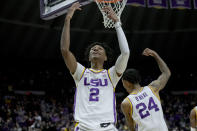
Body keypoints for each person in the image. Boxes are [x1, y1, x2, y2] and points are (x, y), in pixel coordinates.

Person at [60, 2, 130, 131]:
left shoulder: (111, 75)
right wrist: (67, 19)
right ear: (88, 57)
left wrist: (117, 23)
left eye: (99, 49)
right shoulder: (80, 73)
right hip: (84, 127)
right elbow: (65, 50)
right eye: (93, 49)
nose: (95, 49)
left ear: (105, 57)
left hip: (107, 127)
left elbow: (125, 53)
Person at [121, 48, 171, 131]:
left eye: (122, 82)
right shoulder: (153, 88)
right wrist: (155, 54)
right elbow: (166, 73)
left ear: (127, 82)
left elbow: (131, 127)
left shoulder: (126, 103)